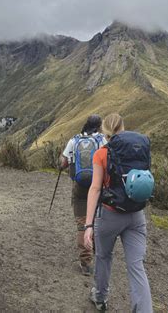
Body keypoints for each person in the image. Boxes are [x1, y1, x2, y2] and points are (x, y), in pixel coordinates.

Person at [84, 113, 153, 312]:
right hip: (136, 216)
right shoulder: (139, 150)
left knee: (104, 256)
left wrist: (88, 225)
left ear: (104, 132)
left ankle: (100, 296)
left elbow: (95, 189)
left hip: (110, 215)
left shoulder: (101, 154)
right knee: (136, 266)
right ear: (123, 128)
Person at [60, 115, 106, 276]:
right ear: (99, 126)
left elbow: (63, 162)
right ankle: (99, 253)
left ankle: (85, 263)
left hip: (79, 186)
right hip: (98, 185)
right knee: (97, 220)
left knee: (82, 223)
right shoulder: (102, 140)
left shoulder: (74, 140)